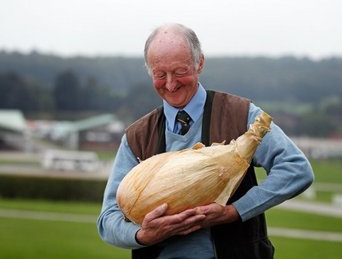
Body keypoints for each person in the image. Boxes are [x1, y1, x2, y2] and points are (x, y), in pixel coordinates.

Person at [97, 23, 314, 259]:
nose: (170, 84)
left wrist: (233, 212)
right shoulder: (136, 136)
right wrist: (142, 236)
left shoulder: (241, 115)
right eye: (160, 75)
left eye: (179, 72)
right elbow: (108, 219)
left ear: (200, 63)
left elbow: (296, 169)